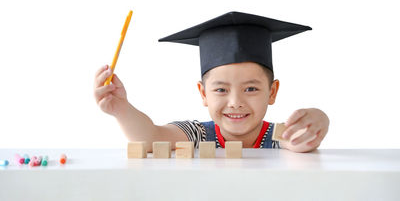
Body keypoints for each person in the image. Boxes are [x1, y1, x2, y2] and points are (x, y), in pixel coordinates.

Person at [93, 11, 329, 153]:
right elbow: (152, 138)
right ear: (203, 93)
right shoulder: (196, 134)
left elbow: (302, 141)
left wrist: (318, 120)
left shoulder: (280, 136)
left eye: (250, 88)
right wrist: (121, 109)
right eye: (221, 89)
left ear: (272, 91)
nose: (235, 102)